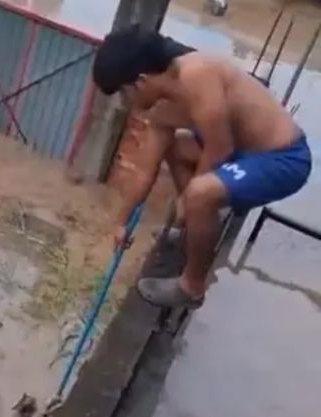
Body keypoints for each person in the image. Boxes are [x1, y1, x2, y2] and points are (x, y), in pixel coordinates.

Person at [92, 24, 311, 309]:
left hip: (283, 158)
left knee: (199, 194)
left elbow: (220, 148)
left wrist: (187, 200)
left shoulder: (196, 75)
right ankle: (194, 230)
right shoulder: (161, 110)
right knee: (177, 149)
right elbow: (145, 170)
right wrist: (121, 222)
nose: (127, 102)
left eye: (124, 93)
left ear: (141, 81)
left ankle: (191, 287)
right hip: (244, 152)